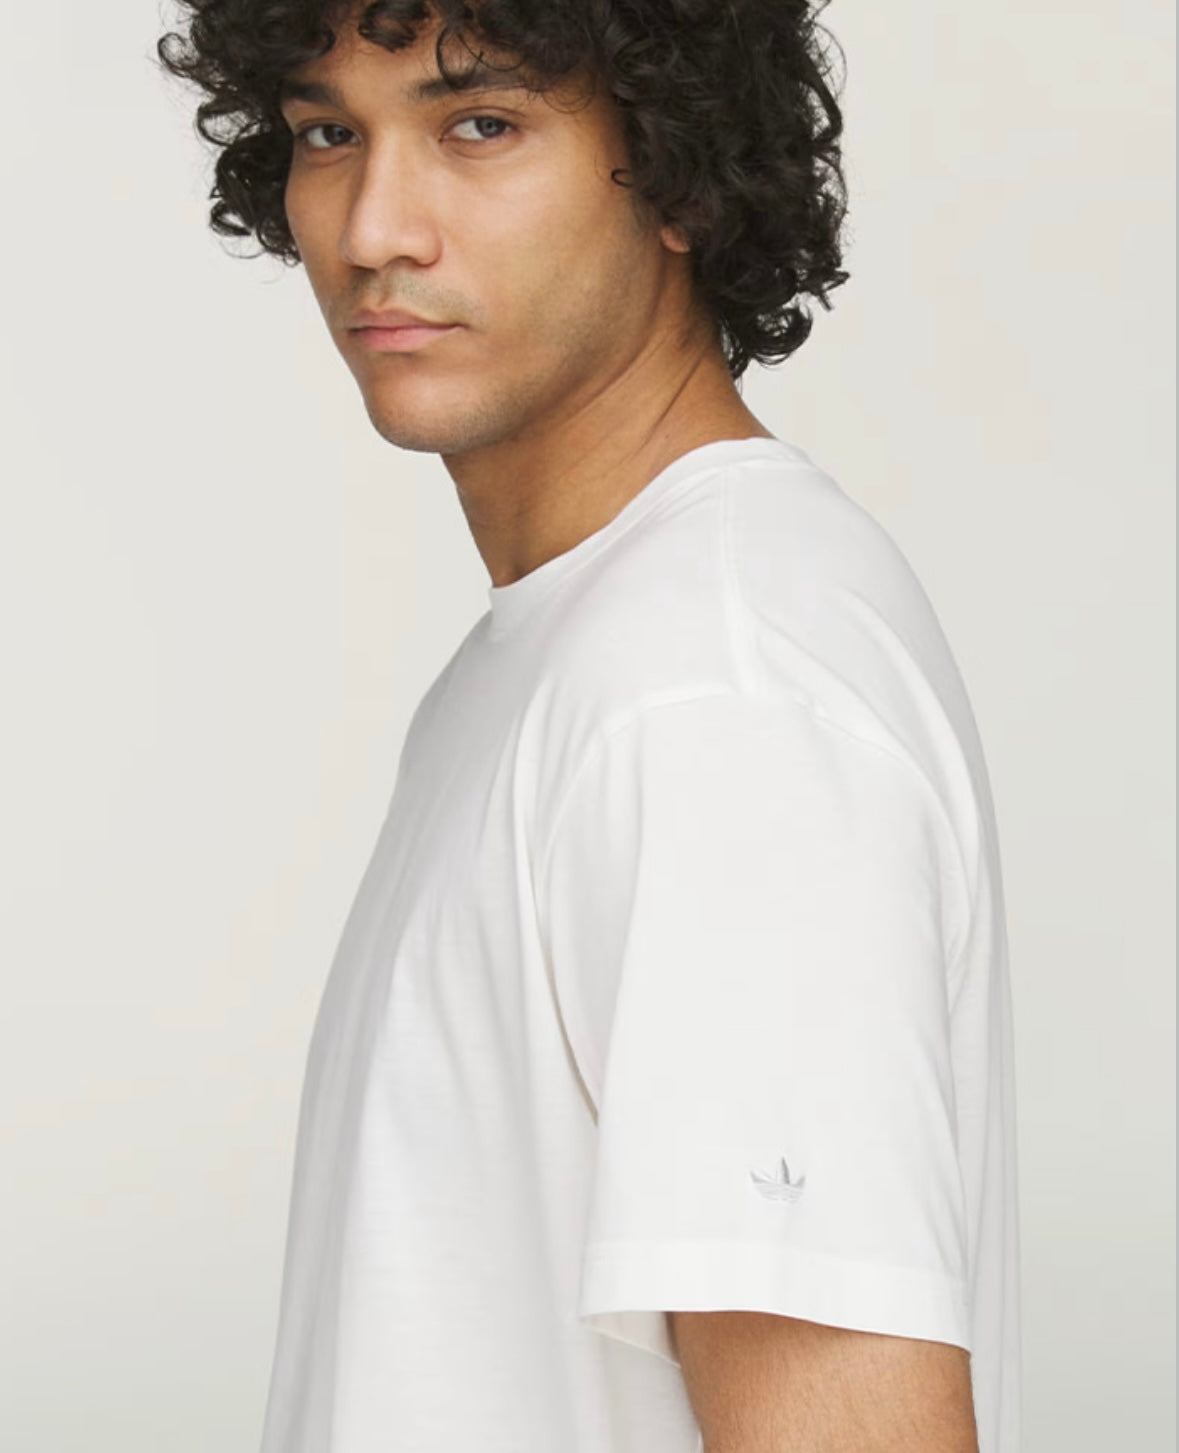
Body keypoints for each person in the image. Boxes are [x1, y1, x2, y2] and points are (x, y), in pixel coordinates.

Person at [156, 2, 1021, 1449]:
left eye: (480, 125)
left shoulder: (712, 696)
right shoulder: (593, 650)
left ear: (682, 171)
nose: (373, 229)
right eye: (328, 133)